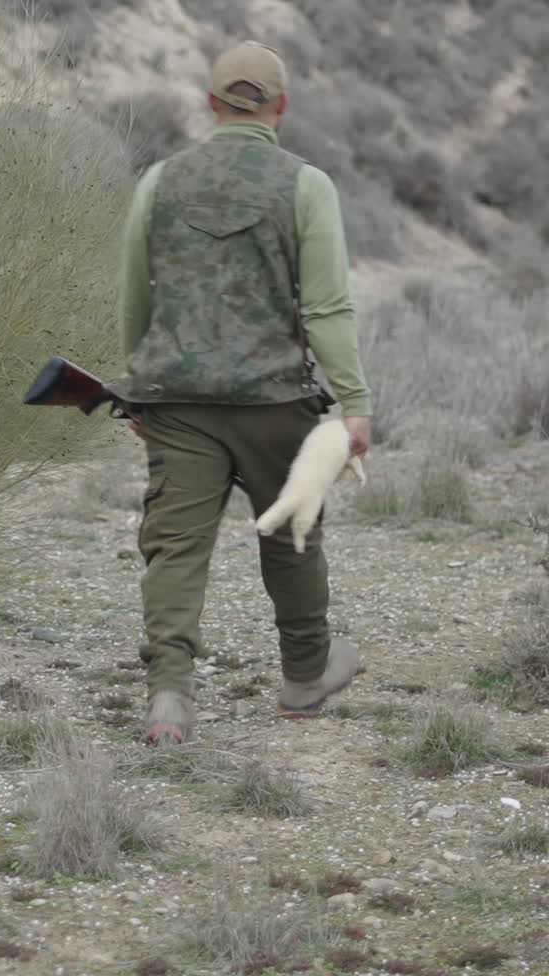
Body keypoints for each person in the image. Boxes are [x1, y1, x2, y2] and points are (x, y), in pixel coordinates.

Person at [118, 42, 371, 744]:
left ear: (212, 104)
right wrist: (354, 403)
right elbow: (326, 309)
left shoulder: (159, 181)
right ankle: (303, 678)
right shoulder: (306, 185)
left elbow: (135, 298)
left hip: (179, 401)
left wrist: (139, 387)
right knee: (292, 536)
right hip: (274, 404)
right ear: (280, 108)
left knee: (175, 548)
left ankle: (169, 695)